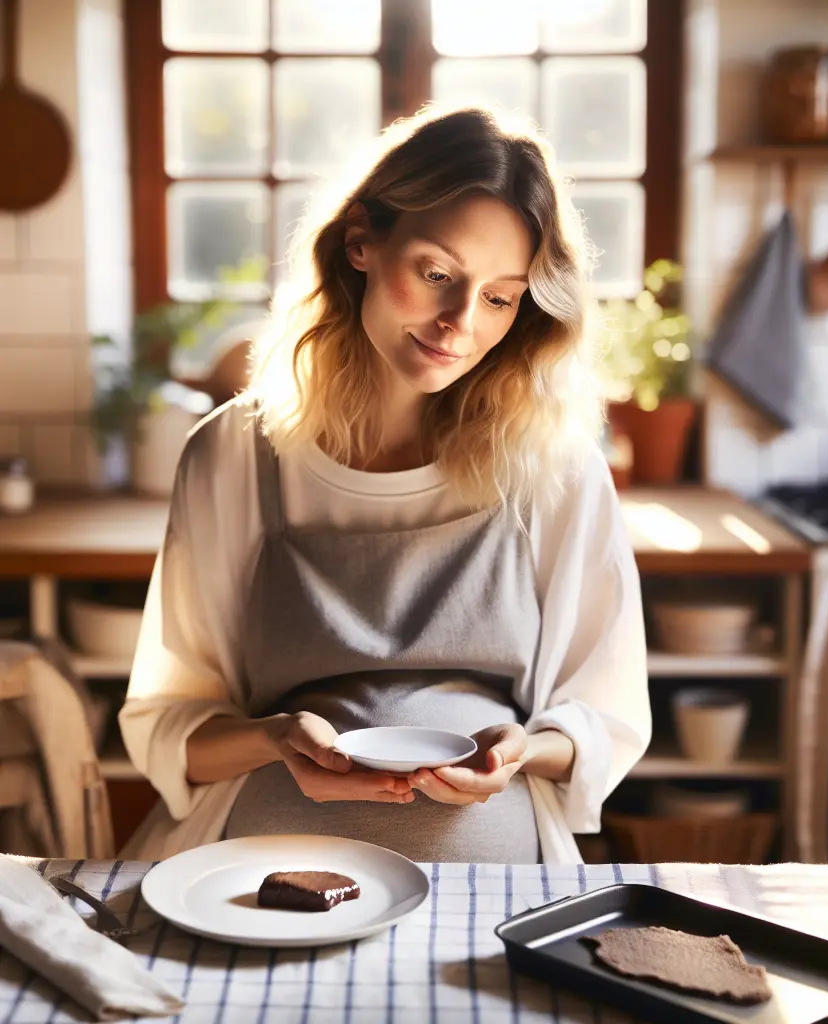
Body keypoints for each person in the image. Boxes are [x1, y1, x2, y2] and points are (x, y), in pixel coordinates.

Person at [118, 104, 651, 865]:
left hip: (498, 892)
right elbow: (172, 730)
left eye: (499, 297)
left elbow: (606, 719)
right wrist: (274, 739)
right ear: (361, 241)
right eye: (436, 274)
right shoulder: (234, 454)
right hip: (251, 882)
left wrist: (523, 751)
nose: (459, 322)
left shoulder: (553, 467)